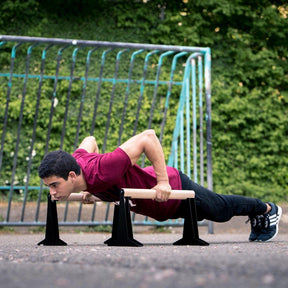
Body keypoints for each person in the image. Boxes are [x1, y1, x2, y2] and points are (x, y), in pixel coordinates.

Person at [38, 129, 282, 242]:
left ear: (71, 175)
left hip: (174, 189)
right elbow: (89, 140)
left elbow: (148, 137)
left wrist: (163, 181)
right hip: (159, 207)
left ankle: (268, 210)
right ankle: (262, 213)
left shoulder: (105, 168)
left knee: (219, 211)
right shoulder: (77, 163)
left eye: (54, 185)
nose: (52, 192)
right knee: (217, 211)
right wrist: (91, 188)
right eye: (49, 186)